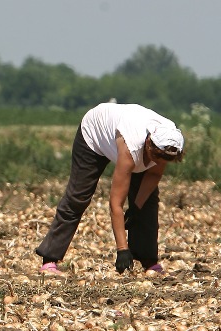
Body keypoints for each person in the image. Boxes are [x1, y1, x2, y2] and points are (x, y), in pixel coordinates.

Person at [35, 102, 185, 275]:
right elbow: (116, 204)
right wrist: (122, 250)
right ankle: (50, 259)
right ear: (149, 143)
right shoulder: (131, 147)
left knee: (147, 202)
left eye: (163, 160)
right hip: (94, 134)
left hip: (124, 134)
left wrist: (136, 207)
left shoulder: (169, 143)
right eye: (156, 157)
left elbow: (153, 175)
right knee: (78, 196)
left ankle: (148, 261)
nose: (158, 163)